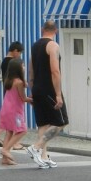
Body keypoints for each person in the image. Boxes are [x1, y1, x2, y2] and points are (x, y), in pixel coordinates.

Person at [26, 21, 68, 169]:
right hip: (48, 88)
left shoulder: (35, 46)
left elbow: (31, 71)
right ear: (55, 30)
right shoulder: (53, 46)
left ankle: (43, 157)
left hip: (37, 87)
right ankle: (36, 147)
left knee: (43, 123)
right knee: (60, 122)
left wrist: (32, 90)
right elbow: (55, 71)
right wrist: (58, 94)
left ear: (41, 29)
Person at [0, 41, 25, 148]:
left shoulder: (4, 61)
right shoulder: (12, 62)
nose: (20, 55)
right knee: (14, 117)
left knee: (10, 117)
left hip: (8, 88)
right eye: (19, 52)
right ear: (15, 51)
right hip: (13, 89)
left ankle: (12, 142)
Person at [0, 59, 32, 166]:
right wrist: (32, 100)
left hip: (6, 109)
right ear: (18, 68)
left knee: (9, 132)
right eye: (22, 65)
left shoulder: (9, 80)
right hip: (15, 112)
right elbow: (23, 98)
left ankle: (5, 159)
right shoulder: (19, 82)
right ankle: (6, 150)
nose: (24, 67)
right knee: (22, 130)